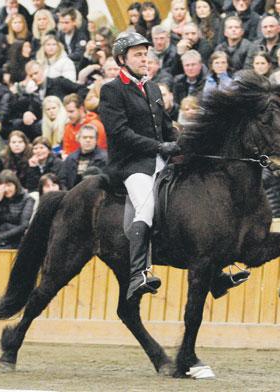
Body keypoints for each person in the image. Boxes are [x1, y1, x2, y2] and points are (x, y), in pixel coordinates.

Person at [99, 32, 179, 301]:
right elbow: (119, 132)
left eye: (146, 54)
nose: (144, 59)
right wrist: (159, 147)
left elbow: (166, 127)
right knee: (146, 206)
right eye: (138, 55)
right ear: (122, 59)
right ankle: (138, 274)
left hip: (161, 160)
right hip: (131, 164)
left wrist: (183, 142)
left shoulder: (153, 88)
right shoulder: (111, 90)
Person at [0, 169, 34, 249]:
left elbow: (23, 226)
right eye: (3, 186)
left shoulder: (27, 199)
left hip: (16, 240)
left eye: (9, 185)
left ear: (16, 185)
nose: (6, 189)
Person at [60, 124, 107, 189]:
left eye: (91, 137)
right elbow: (62, 180)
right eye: (84, 137)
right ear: (79, 139)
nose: (88, 140)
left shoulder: (105, 159)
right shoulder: (70, 159)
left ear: (96, 140)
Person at [62, 93, 106, 158]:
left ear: (81, 109)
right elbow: (67, 152)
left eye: (71, 111)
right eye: (67, 112)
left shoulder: (96, 125)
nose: (68, 115)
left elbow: (101, 151)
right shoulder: (68, 128)